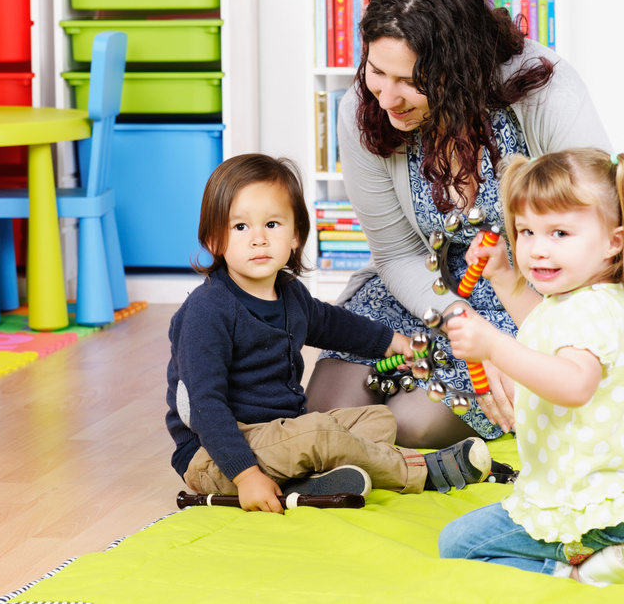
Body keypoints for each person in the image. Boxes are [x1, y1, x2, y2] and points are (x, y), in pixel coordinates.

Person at [303, 0, 624, 479]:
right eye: (376, 71)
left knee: (409, 424)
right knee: (327, 412)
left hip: (526, 300)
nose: (386, 98)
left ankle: (512, 408)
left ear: (458, 71)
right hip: (426, 295)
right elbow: (396, 253)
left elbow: (615, 261)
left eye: (410, 81)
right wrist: (461, 321)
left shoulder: (546, 93)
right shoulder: (363, 112)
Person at [438, 149, 624, 586]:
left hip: (585, 507)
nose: (537, 248)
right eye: (526, 230)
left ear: (614, 242)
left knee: (456, 545)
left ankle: (582, 567)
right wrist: (503, 276)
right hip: (603, 499)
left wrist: (494, 345)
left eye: (560, 232)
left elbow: (573, 385)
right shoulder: (582, 298)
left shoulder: (591, 311)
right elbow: (540, 327)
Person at [165, 154, 493, 514]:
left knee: (379, 419)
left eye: (272, 224)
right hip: (216, 454)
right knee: (321, 433)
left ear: (295, 236)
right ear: (214, 240)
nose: (258, 239)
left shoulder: (290, 294)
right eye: (240, 227)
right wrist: (245, 476)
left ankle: (314, 476)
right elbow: (205, 406)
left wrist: (395, 344)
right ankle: (423, 472)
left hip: (280, 431)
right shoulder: (207, 311)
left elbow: (336, 326)